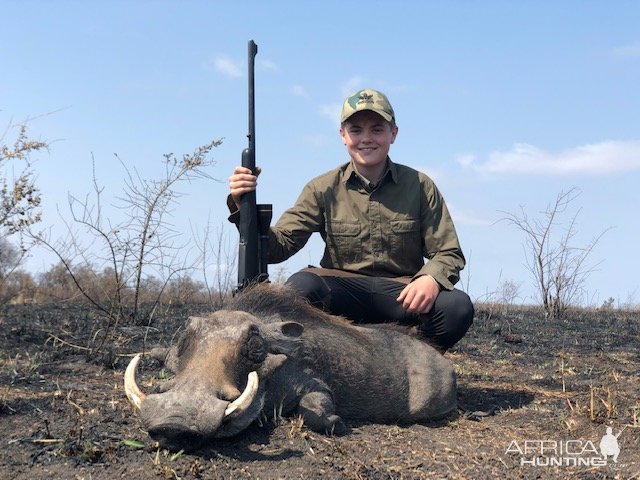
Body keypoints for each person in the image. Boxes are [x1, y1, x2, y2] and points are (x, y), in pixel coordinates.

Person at [227, 88, 473, 353]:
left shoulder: (421, 186)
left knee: (456, 307)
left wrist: (430, 279)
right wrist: (244, 207)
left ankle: (411, 364)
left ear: (394, 133)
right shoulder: (321, 187)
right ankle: (325, 363)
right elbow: (278, 247)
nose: (366, 139)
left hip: (401, 293)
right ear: (343, 135)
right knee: (299, 288)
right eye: (356, 130)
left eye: (377, 129)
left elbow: (448, 252)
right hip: (340, 289)